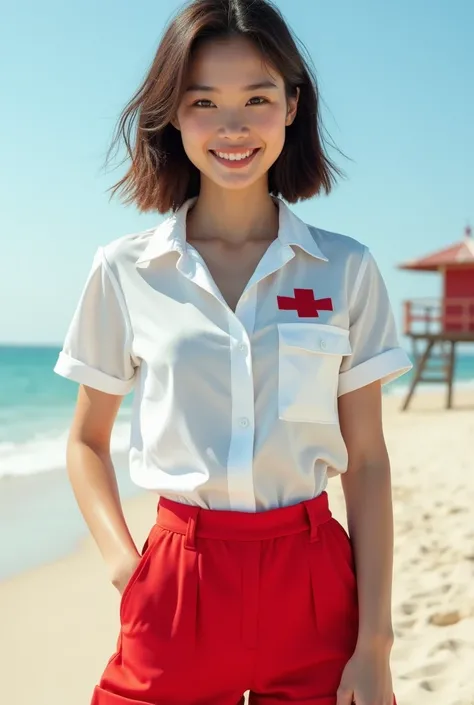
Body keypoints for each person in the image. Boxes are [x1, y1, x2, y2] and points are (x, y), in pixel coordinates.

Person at [54, 0, 412, 703]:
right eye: (204, 102)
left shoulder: (344, 269)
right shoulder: (126, 270)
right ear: (173, 113)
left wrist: (375, 643)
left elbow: (365, 459)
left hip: (313, 586)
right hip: (176, 585)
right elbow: (85, 440)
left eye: (257, 97)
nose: (233, 126)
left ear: (292, 105)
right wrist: (128, 568)